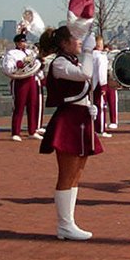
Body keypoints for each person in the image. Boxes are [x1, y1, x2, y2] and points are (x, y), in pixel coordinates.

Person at [39, 26, 100, 240]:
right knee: (67, 173)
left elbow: (91, 80)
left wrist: (90, 105)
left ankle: (70, 221)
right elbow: (84, 74)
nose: (80, 43)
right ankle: (64, 224)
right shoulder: (59, 63)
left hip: (81, 117)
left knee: (77, 173)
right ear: (64, 43)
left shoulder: (72, 61)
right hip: (68, 120)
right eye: (77, 39)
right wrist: (89, 53)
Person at [2, 33, 45, 142]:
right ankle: (15, 132)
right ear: (17, 43)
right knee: (19, 106)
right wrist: (20, 63)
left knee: (33, 106)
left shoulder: (30, 52)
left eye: (24, 41)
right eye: (21, 41)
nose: (24, 43)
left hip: (31, 79)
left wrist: (40, 65)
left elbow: (35, 65)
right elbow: (8, 68)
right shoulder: (12, 53)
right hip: (20, 80)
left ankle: (32, 130)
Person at [91, 36, 113, 138]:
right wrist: (103, 86)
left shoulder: (90, 55)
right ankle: (100, 129)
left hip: (91, 85)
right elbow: (102, 73)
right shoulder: (101, 56)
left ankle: (94, 127)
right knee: (101, 107)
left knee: (93, 107)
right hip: (99, 85)